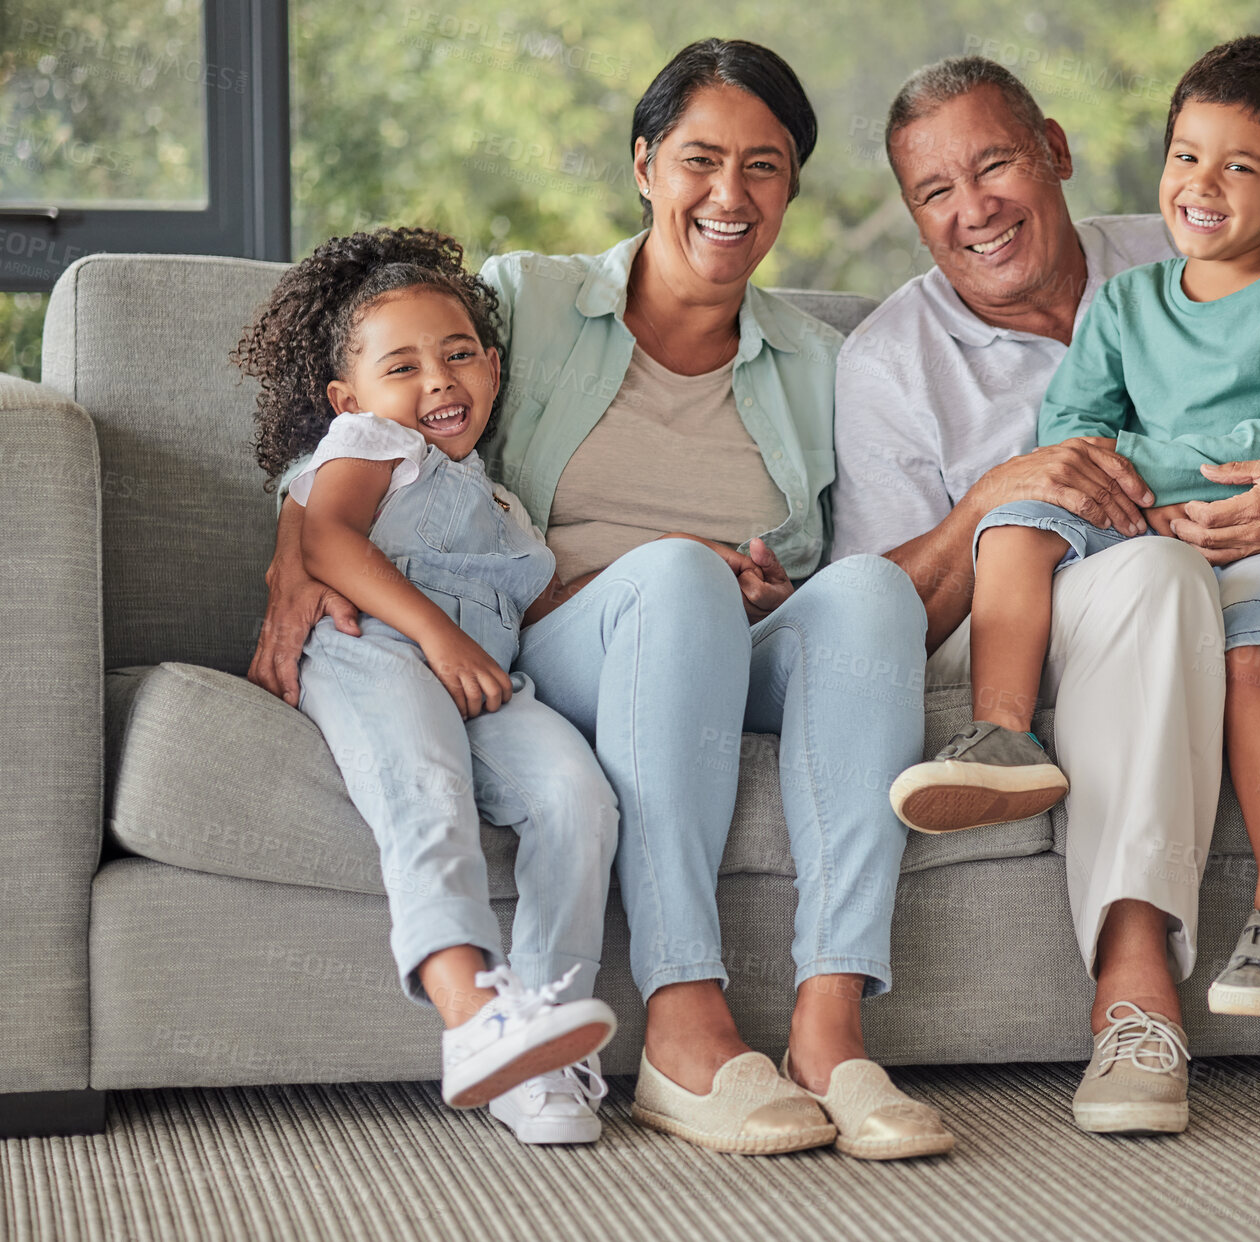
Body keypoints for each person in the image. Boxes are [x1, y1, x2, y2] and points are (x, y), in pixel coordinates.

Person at [248, 40, 954, 1160]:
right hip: (558, 635)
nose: (730, 195)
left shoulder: (823, 363)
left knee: (869, 594)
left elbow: (828, 567)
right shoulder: (529, 298)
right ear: (644, 164)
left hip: (722, 641)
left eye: (764, 167)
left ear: (793, 188)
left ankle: (832, 1025)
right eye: (700, 159)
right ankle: (684, 1021)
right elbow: (383, 412)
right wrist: (300, 549)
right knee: (675, 571)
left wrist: (781, 588)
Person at [833, 55, 1260, 1144]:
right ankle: (1134, 1002)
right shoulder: (888, 363)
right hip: (1070, 610)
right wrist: (993, 497)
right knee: (1155, 575)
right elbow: (875, 616)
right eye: (933, 192)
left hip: (1258, 571)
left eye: (995, 164)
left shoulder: (1182, 244)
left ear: (1053, 150)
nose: (974, 210)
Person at [896, 35, 1260, 1029]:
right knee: (1016, 517)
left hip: (1250, 540)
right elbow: (1069, 429)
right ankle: (1005, 733)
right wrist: (1057, 479)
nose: (1202, 184)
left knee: (1254, 661)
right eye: (1186, 158)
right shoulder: (1122, 301)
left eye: (1240, 167)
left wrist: (1152, 465)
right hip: (1120, 544)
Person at [233, 227, 620, 1145]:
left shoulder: (501, 505)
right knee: (427, 787)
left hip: (489, 681)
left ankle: (545, 1041)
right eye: (402, 366)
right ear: (349, 397)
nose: (438, 382)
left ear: (491, 366)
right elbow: (326, 539)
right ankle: (472, 1013)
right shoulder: (369, 445)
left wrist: (697, 575)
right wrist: (441, 639)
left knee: (579, 798)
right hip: (373, 650)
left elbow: (546, 600)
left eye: (457, 356)